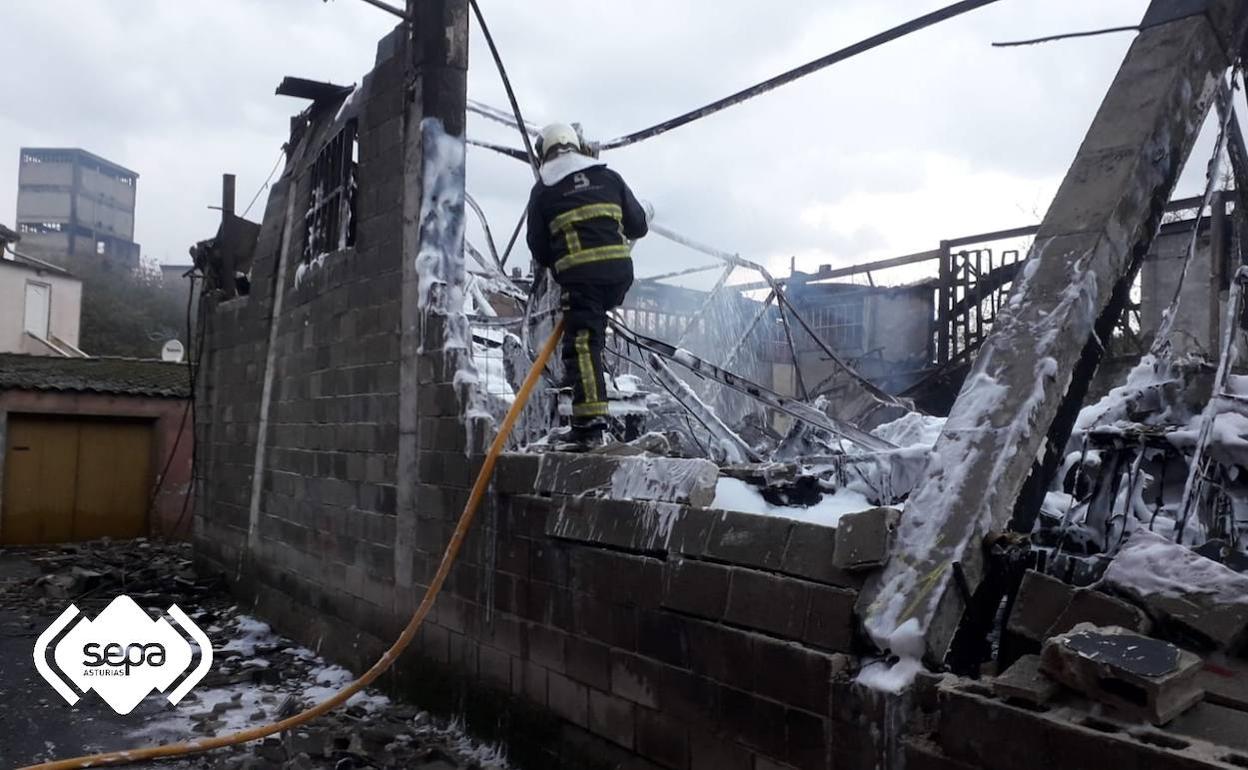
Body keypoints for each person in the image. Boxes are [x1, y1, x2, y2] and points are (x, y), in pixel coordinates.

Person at [527, 122, 649, 445]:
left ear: (545, 153)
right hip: (619, 275)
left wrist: (562, 262)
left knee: (581, 343)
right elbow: (639, 225)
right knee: (592, 334)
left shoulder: (544, 189)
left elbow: (538, 249)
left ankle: (590, 424)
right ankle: (595, 406)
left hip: (582, 278)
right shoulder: (609, 176)